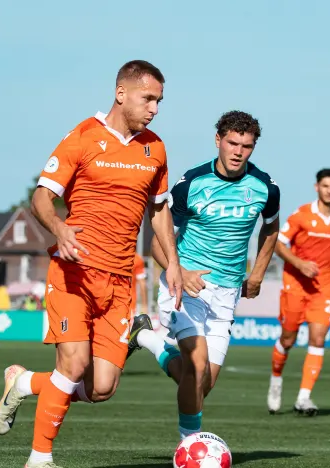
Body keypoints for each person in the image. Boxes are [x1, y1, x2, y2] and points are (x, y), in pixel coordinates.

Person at [0, 60, 183, 468]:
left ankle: (23, 383)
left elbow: (160, 212)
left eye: (159, 101)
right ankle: (39, 458)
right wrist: (58, 228)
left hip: (119, 282)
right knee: (73, 362)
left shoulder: (156, 148)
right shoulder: (81, 137)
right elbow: (42, 196)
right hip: (74, 274)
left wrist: (174, 265)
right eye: (148, 98)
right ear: (121, 93)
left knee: (100, 388)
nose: (155, 108)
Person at [128, 110, 280, 440]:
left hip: (227, 293)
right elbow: (158, 243)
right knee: (195, 370)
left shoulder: (265, 187)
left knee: (203, 384)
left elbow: (271, 229)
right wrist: (179, 271)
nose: (239, 151)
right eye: (232, 143)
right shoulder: (191, 184)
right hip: (184, 289)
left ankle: (146, 337)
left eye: (247, 146)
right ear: (218, 141)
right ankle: (189, 447)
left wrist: (256, 275)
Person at [266, 168, 330, 416]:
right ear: (317, 187)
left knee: (318, 338)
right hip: (295, 283)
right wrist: (299, 264)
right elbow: (277, 243)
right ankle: (276, 380)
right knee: (288, 339)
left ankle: (304, 398)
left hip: (323, 286)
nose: (329, 190)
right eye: (325, 186)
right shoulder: (302, 215)